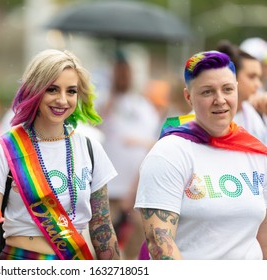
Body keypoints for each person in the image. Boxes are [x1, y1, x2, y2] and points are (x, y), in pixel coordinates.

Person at [0, 49, 120, 260]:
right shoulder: (4, 149)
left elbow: (101, 225)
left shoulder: (90, 148)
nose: (62, 100)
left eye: (71, 91)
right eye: (52, 89)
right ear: (35, 90)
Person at [134, 50, 267, 260]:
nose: (220, 100)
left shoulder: (256, 152)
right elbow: (160, 245)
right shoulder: (169, 153)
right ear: (189, 97)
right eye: (207, 92)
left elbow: (264, 236)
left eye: (227, 89)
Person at [97, 51, 161, 259]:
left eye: (126, 72)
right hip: (109, 190)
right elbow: (94, 126)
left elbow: (156, 140)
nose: (123, 77)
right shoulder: (104, 103)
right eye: (119, 73)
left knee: (136, 245)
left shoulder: (144, 106)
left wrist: (140, 142)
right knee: (107, 246)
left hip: (137, 192)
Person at [217, 40, 267, 145]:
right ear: (231, 76)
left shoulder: (253, 112)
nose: (258, 84)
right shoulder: (206, 116)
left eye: (259, 77)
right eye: (251, 77)